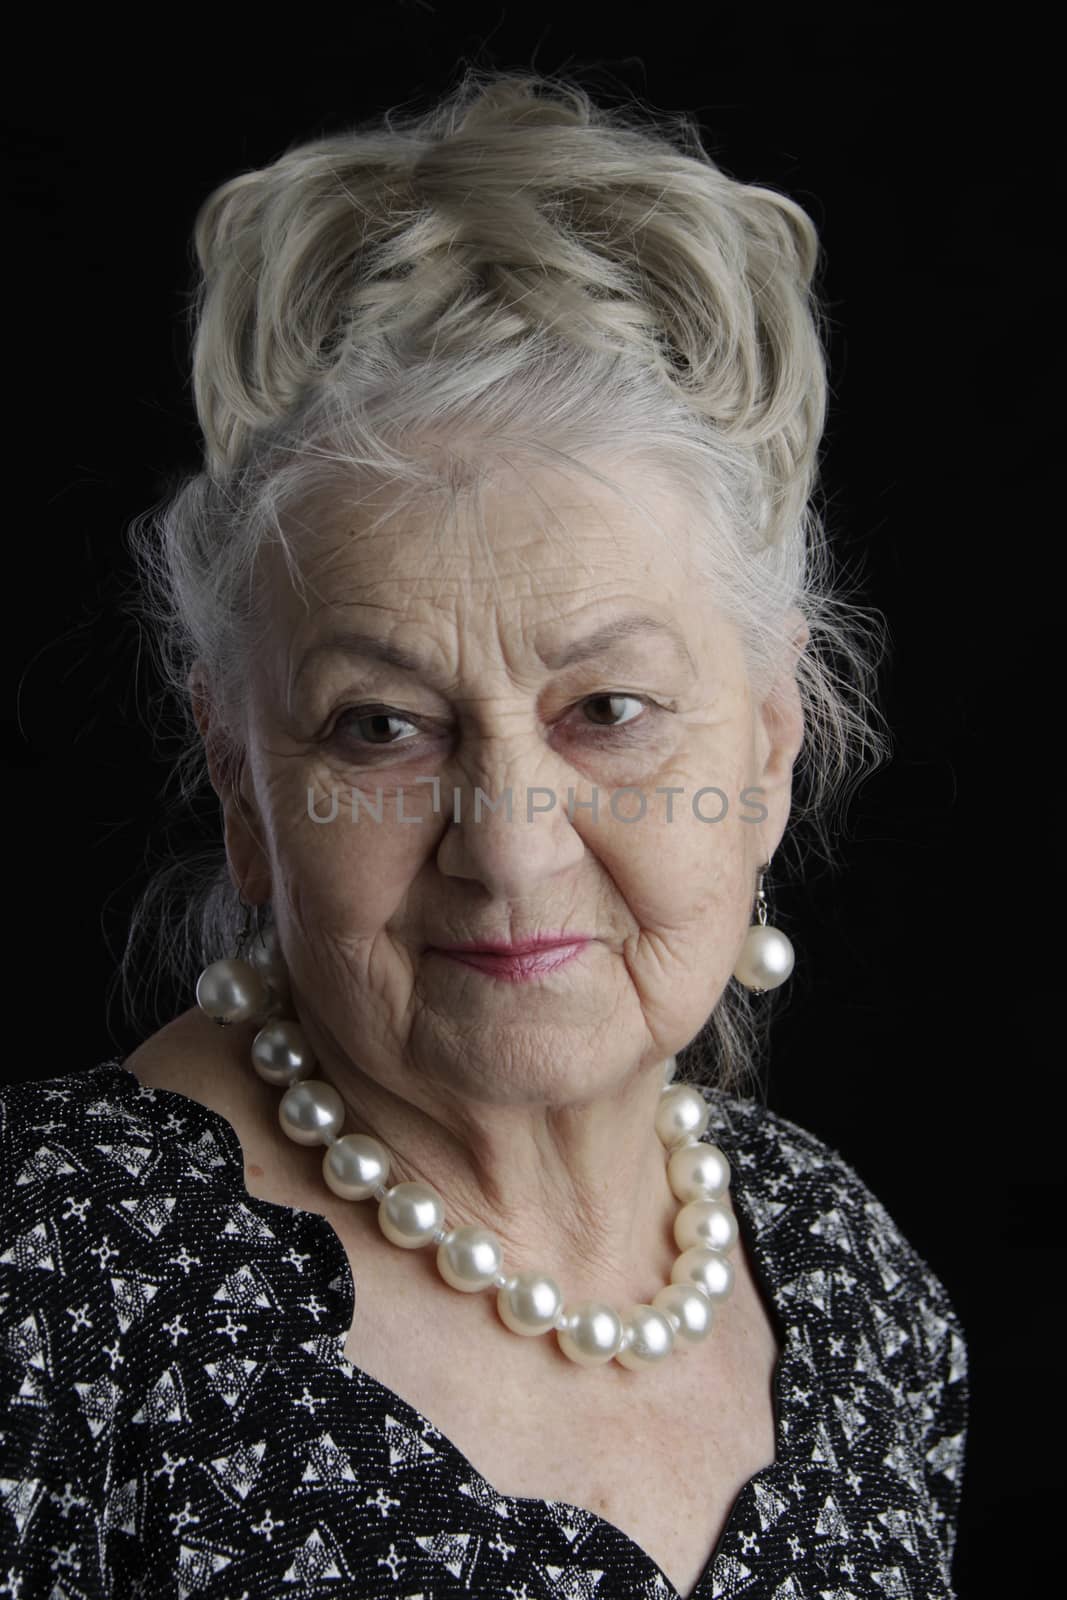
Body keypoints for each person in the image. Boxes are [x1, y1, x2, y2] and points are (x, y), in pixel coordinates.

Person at [0, 66, 968, 1599]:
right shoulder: (49, 1288)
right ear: (246, 785)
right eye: (382, 727)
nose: (507, 849)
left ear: (772, 744)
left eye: (610, 711)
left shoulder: (851, 1281)